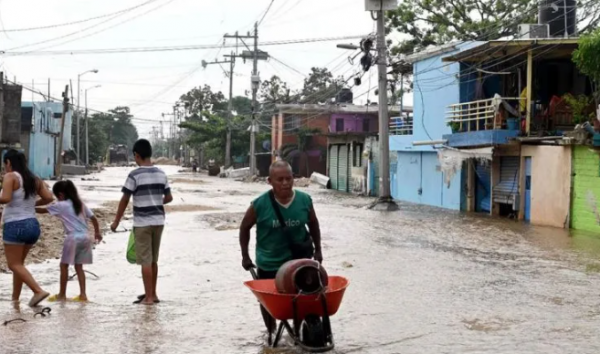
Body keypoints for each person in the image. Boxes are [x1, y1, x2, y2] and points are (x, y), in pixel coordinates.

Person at [239, 160, 323, 331]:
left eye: (288, 178)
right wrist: (245, 256)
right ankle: (271, 333)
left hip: (299, 261)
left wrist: (319, 250)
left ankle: (299, 330)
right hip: (270, 262)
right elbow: (244, 227)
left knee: (304, 297)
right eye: (280, 180)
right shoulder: (259, 204)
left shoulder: (304, 200)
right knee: (268, 302)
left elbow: (313, 224)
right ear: (270, 181)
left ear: (293, 179)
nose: (285, 183)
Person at [111, 139, 173, 305]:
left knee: (145, 261)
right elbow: (169, 197)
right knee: (153, 260)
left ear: (136, 155)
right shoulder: (161, 173)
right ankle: (153, 293)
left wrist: (116, 222)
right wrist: (155, 202)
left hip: (142, 223)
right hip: (159, 222)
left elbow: (125, 200)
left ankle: (149, 298)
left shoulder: (134, 175)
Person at [0, 149, 54, 306]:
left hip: (15, 225)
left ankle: (38, 291)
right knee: (19, 265)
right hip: (32, 225)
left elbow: (5, 198)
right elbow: (49, 197)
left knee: (13, 264)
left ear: (8, 162)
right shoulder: (34, 178)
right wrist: (32, 204)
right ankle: (15, 300)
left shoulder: (10, 176)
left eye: (4, 164)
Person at [36, 180, 102, 302]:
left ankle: (62, 295)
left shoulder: (61, 205)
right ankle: (83, 295)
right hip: (85, 238)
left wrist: (28, 206)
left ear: (60, 195)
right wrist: (97, 232)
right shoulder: (80, 204)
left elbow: (42, 210)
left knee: (64, 266)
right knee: (79, 267)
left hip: (72, 238)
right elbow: (94, 218)